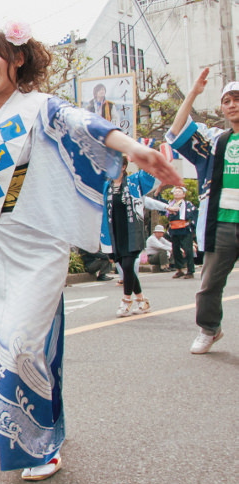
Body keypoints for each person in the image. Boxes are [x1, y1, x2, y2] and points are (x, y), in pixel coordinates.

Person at [0, 0, 181, 480]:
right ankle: (50, 422)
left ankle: (37, 447)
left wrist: (139, 150)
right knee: (20, 342)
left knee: (22, 344)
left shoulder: (41, 107)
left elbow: (89, 126)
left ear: (16, 59)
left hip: (41, 243)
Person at [165, 70, 239, 354]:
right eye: (227, 100)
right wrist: (193, 93)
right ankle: (209, 329)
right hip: (220, 224)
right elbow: (175, 132)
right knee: (209, 285)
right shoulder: (215, 143)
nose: (232, 104)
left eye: (237, 99)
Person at [101, 158, 155, 316]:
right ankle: (142, 301)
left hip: (132, 232)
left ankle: (126, 301)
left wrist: (141, 156)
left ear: (124, 167)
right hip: (115, 232)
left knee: (127, 264)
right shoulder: (106, 187)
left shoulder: (134, 182)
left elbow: (149, 174)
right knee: (126, 267)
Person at [165, 186, 197, 279]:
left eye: (179, 192)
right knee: (175, 250)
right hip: (174, 229)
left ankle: (190, 271)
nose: (177, 193)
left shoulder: (187, 204)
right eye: (175, 192)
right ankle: (179, 269)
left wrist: (191, 226)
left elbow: (193, 214)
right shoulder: (170, 204)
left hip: (185, 229)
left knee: (188, 250)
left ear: (184, 194)